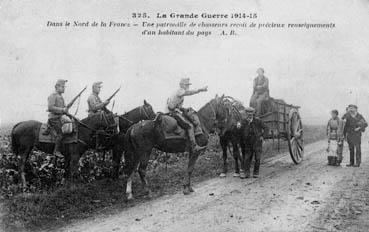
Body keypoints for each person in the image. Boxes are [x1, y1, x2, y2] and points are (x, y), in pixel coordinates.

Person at [167, 78, 208, 153]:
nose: (187, 86)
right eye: (186, 85)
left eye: (188, 85)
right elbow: (189, 92)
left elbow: (176, 104)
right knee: (189, 126)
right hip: (174, 112)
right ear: (182, 85)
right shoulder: (180, 91)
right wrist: (200, 90)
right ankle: (194, 146)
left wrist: (183, 109)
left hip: (175, 110)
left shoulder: (179, 92)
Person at [239, 107, 268, 178]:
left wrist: (263, 136)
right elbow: (239, 130)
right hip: (248, 143)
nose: (249, 114)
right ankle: (246, 173)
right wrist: (238, 126)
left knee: (257, 158)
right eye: (248, 113)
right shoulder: (243, 122)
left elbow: (266, 128)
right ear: (246, 113)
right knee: (247, 158)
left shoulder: (258, 121)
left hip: (257, 142)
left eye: (251, 112)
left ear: (253, 113)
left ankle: (256, 172)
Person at [47, 79, 69, 158]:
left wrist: (67, 112)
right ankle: (56, 151)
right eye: (62, 86)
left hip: (60, 117)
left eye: (64, 86)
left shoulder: (60, 97)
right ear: (57, 87)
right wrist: (62, 110)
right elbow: (50, 107)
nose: (64, 88)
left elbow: (63, 109)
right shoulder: (53, 96)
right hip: (54, 118)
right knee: (61, 132)